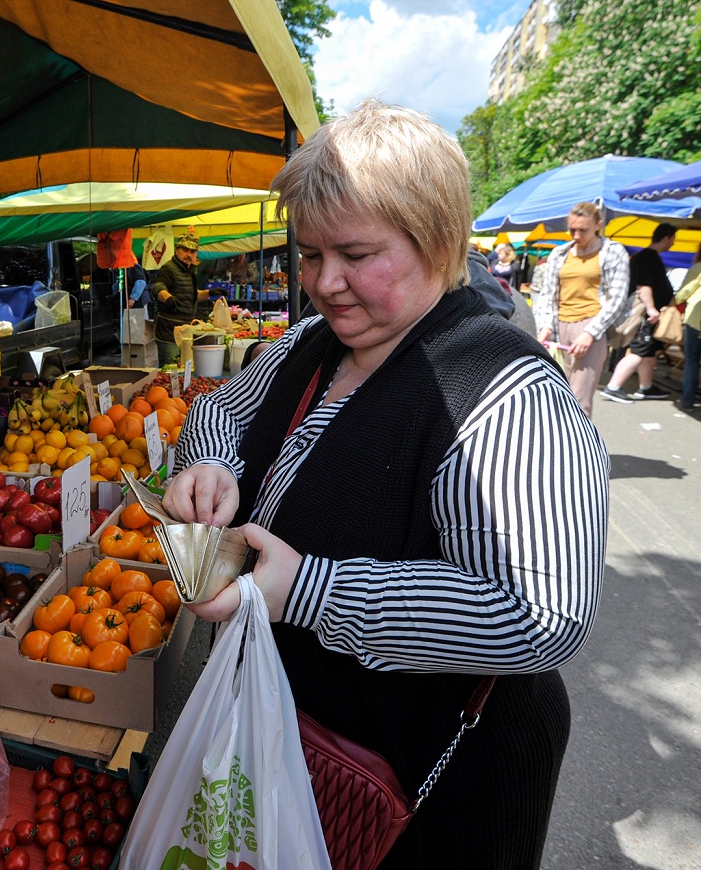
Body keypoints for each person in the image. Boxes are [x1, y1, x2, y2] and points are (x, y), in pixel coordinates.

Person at [164, 101, 606, 869]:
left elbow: (541, 615)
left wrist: (304, 590)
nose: (323, 283)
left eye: (355, 254)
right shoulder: (311, 342)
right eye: (308, 256)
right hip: (294, 743)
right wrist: (211, 466)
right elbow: (221, 415)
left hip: (425, 786)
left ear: (436, 240)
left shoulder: (506, 392)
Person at [532, 202, 631, 417]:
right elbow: (547, 294)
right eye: (572, 230)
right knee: (555, 392)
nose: (576, 235)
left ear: (598, 225)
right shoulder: (560, 253)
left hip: (590, 325)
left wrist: (590, 333)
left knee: (578, 400)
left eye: (583, 230)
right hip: (558, 326)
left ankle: (578, 448)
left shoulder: (613, 252)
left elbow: (617, 298)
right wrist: (545, 327)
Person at [600, 224, 678, 403]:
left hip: (646, 315)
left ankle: (646, 387)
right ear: (666, 238)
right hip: (644, 315)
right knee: (639, 350)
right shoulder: (648, 258)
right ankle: (613, 387)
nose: (672, 245)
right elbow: (643, 286)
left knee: (648, 351)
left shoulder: (643, 257)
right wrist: (651, 309)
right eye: (672, 240)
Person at [152, 228, 213, 365]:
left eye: (192, 252)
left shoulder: (191, 270)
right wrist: (167, 298)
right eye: (185, 250)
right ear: (176, 250)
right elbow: (158, 287)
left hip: (186, 331)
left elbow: (191, 295)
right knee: (171, 370)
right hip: (169, 333)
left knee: (184, 370)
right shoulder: (169, 268)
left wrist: (209, 293)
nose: (189, 255)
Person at [672, 246, 701, 411]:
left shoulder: (697, 269)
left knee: (692, 361)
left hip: (696, 320)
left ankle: (687, 400)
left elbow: (682, 293)